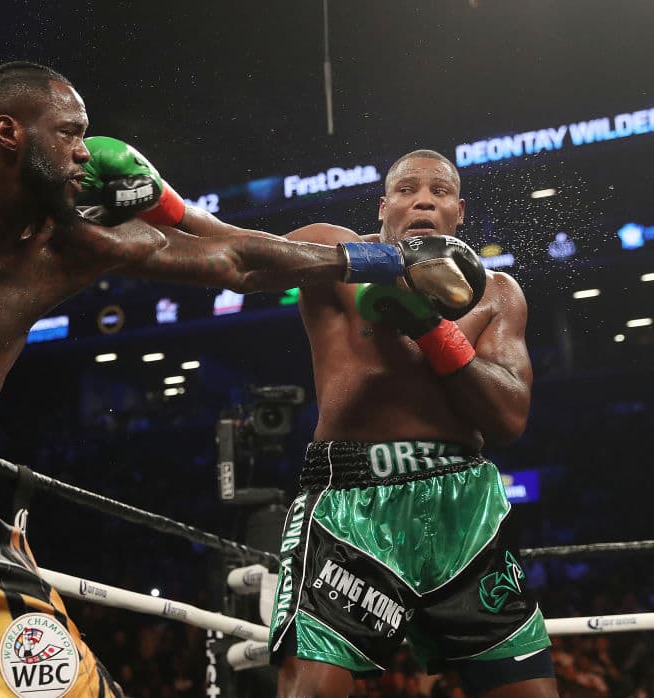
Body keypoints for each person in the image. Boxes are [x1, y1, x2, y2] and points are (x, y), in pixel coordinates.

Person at [0, 62, 473, 698]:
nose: (84, 151)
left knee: (70, 690)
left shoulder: (77, 239)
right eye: (68, 133)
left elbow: (236, 257)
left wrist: (384, 258)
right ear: (9, 132)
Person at [89, 143, 553, 696]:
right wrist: (160, 202)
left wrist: (433, 330)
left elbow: (508, 417)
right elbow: (234, 252)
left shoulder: (497, 293)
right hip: (349, 504)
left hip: (464, 511)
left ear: (460, 212)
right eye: (406, 190)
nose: (422, 200)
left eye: (439, 191)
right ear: (383, 208)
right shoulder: (333, 254)